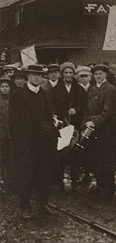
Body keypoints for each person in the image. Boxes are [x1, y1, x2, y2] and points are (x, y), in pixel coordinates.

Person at [8, 64, 59, 219]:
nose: (36, 77)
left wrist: (52, 125)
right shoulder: (18, 94)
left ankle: (43, 204)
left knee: (44, 174)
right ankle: (25, 206)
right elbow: (14, 121)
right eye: (33, 75)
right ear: (27, 76)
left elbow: (49, 115)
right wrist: (20, 142)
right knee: (26, 175)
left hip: (44, 143)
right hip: (27, 143)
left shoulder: (46, 93)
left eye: (39, 75)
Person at [83, 64, 116, 198]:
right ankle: (100, 184)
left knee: (106, 159)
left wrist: (94, 122)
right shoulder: (91, 89)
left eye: (100, 74)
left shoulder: (110, 89)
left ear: (106, 75)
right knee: (96, 158)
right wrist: (86, 122)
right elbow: (87, 109)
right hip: (92, 129)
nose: (98, 76)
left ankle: (108, 189)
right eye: (96, 74)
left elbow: (107, 112)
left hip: (105, 130)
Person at [51, 62, 86, 190]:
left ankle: (75, 183)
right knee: (61, 154)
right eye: (66, 73)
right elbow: (52, 107)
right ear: (62, 74)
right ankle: (59, 181)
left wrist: (76, 109)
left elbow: (83, 104)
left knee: (75, 155)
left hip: (75, 125)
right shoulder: (55, 90)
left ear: (73, 74)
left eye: (70, 73)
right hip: (61, 126)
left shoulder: (79, 89)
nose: (68, 75)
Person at [0, 75, 12, 186]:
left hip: (12, 134)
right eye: (2, 86)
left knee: (11, 157)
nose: (4, 88)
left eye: (7, 86)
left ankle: (10, 181)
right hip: (1, 134)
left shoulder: (13, 100)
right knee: (2, 157)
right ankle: (4, 179)